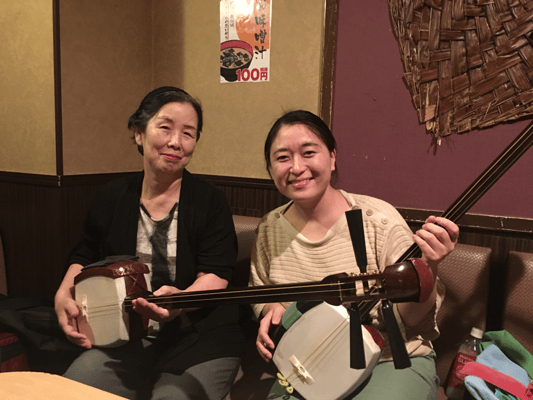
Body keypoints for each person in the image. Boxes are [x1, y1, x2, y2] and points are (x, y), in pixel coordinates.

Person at [249, 110, 460, 399]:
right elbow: (261, 291)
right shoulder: (269, 228)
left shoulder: (378, 221)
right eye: (283, 157)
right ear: (270, 167)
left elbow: (412, 321)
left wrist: (429, 266)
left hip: (391, 358)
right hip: (315, 360)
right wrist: (271, 311)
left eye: (308, 153)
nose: (296, 167)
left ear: (332, 157)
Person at [54, 86, 246, 400]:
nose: (176, 142)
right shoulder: (113, 195)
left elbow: (216, 272)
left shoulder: (210, 201)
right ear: (139, 133)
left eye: (188, 133)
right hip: (127, 332)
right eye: (165, 127)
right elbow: (86, 252)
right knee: (72, 390)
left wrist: (180, 300)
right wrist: (64, 292)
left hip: (200, 334)